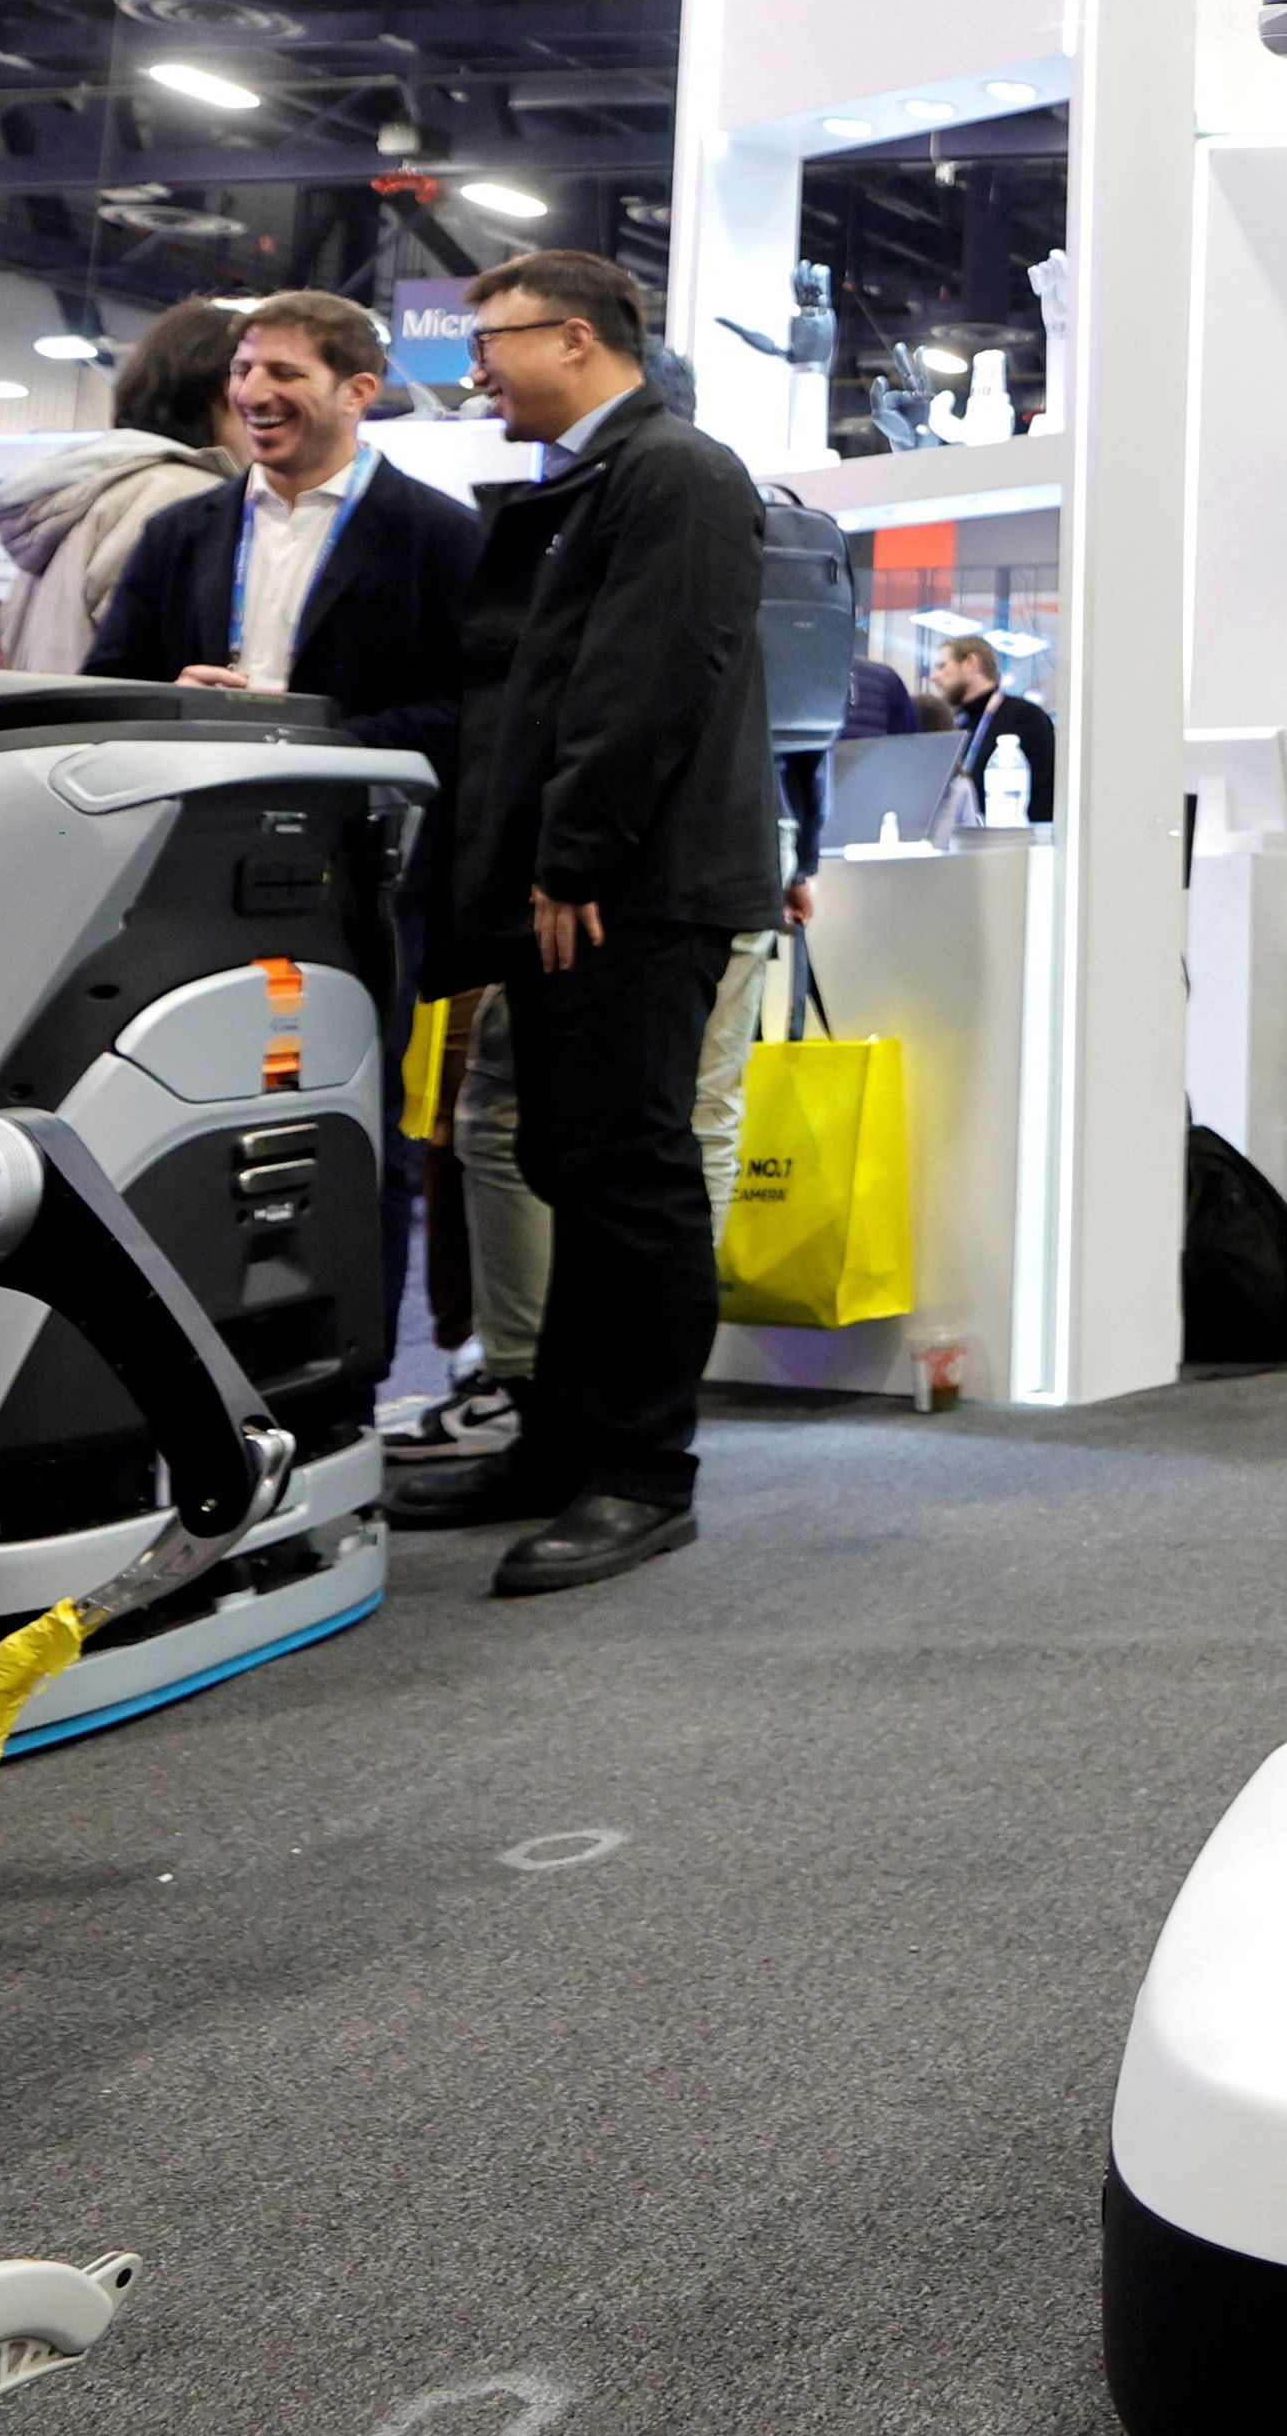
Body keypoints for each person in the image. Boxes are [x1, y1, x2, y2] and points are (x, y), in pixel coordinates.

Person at [387, 249, 786, 1593]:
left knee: (630, 1179)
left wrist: (573, 860)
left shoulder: (677, 472)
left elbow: (646, 682)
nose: (472, 369)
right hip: (593, 885)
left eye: (489, 340)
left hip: (635, 890)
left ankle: (642, 1475)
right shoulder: (606, 475)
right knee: (575, 1163)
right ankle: (564, 1446)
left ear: (572, 337)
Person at [85, 290, 479, 749]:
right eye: (241, 370)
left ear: (357, 393)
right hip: (203, 802)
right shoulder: (178, 531)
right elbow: (109, 685)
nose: (250, 394)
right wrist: (175, 706)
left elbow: (466, 707)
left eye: (284, 373)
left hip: (356, 807)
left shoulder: (442, 535)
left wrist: (317, 740)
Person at [0, 301, 242, 673]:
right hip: (119, 726)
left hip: (55, 723)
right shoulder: (187, 497)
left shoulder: (84, 487)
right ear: (224, 391)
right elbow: (155, 661)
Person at [928, 629, 1059, 830]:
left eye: (942, 666)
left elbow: (1042, 799)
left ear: (971, 663)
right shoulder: (958, 725)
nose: (934, 677)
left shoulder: (1025, 718)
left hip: (1012, 845)